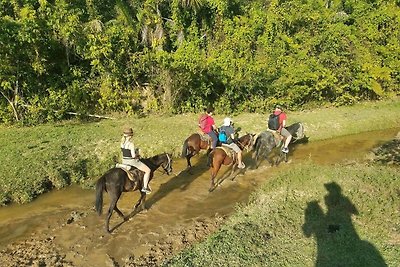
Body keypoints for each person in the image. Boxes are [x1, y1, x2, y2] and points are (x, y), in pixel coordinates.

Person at [120, 127, 152, 194]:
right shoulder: (131, 144)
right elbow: (133, 156)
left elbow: (124, 153)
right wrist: (138, 155)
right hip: (131, 162)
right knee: (148, 170)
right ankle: (145, 187)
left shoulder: (122, 143)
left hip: (124, 161)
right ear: (130, 136)